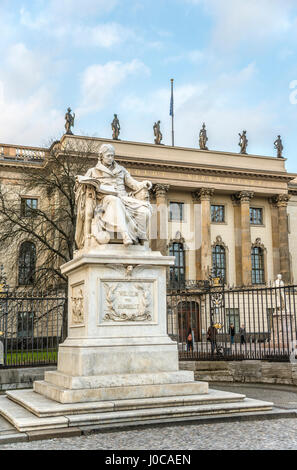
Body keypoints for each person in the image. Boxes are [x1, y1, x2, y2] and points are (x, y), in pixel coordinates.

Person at [75, 144, 152, 249]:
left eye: (112, 156)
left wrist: (143, 184)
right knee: (114, 201)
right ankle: (125, 234)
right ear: (101, 156)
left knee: (145, 209)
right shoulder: (93, 171)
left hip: (123, 198)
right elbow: (81, 188)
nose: (110, 158)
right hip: (103, 200)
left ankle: (140, 237)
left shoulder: (121, 170)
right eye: (108, 156)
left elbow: (133, 184)